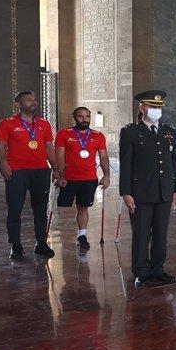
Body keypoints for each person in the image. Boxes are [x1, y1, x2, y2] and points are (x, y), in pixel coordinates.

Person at [119, 90, 176, 287]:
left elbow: (174, 163)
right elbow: (126, 164)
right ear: (142, 107)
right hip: (141, 192)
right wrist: (126, 192)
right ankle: (142, 271)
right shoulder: (130, 131)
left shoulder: (169, 131)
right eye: (152, 106)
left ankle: (158, 269)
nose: (156, 110)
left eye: (159, 106)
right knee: (141, 233)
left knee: (161, 233)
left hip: (164, 191)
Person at [0, 90, 59, 260]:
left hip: (40, 170)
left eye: (34, 99)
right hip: (17, 171)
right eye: (29, 100)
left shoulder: (44, 124)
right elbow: (1, 145)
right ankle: (16, 245)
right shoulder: (6, 123)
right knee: (15, 208)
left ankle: (41, 243)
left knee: (40, 209)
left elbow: (49, 148)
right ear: (18, 104)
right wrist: (3, 163)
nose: (33, 102)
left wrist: (56, 169)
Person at [54, 106, 110, 252]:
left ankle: (82, 235)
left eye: (87, 116)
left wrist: (106, 175)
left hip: (88, 178)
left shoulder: (98, 136)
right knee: (62, 207)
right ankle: (58, 236)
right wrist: (60, 175)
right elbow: (59, 156)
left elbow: (103, 157)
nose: (84, 120)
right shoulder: (64, 134)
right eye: (80, 116)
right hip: (69, 178)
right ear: (75, 117)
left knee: (83, 207)